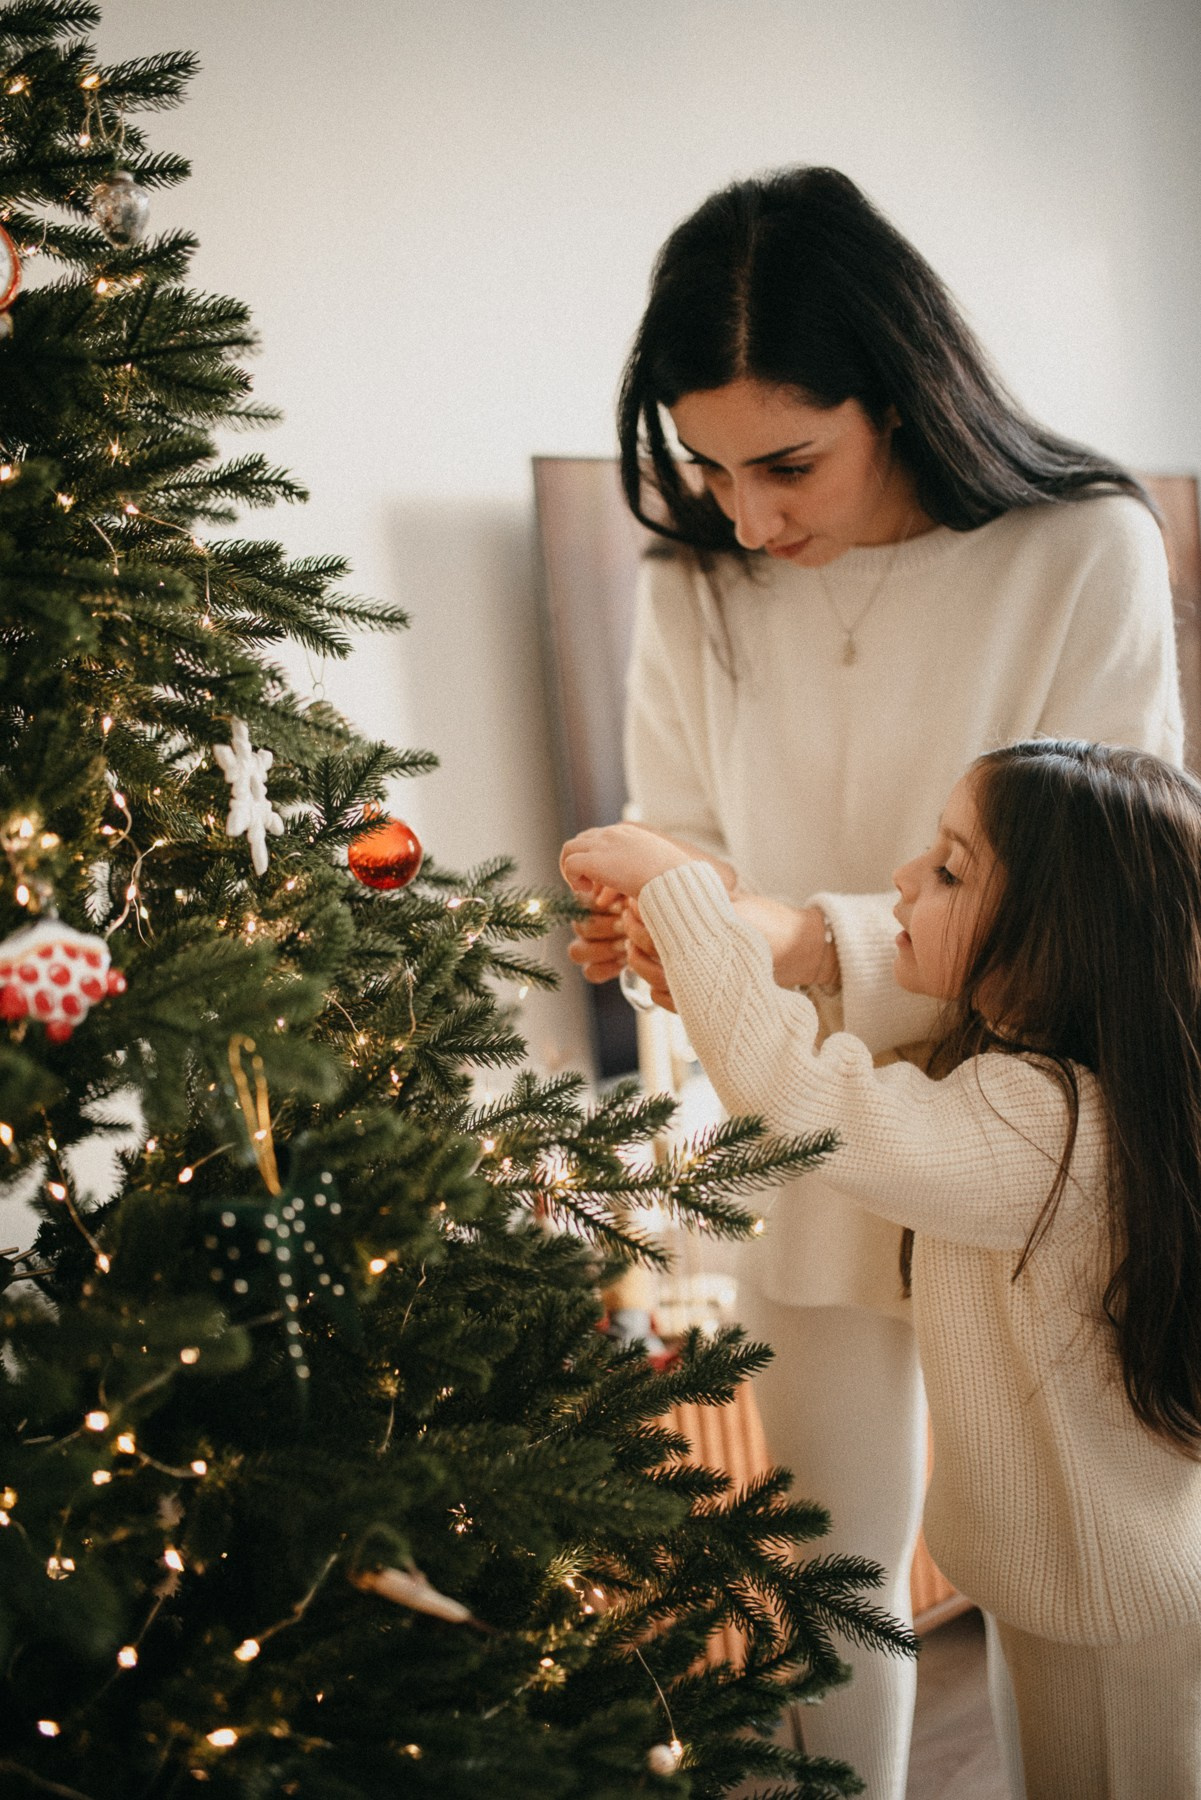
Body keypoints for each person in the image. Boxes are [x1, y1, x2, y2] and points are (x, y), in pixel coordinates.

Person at [567, 166, 1183, 1799]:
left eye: (788, 462)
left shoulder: (1081, 551)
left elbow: (1106, 900)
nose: (751, 517)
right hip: (791, 1132)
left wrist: (782, 938)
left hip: (1036, 1146)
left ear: (901, 398)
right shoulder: (694, 578)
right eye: (708, 466)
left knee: (1090, 1598)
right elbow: (679, 835)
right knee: (819, 1595)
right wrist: (665, 927)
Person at [561, 739, 1201, 1800]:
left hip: (1108, 1604)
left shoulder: (1042, 1124)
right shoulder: (1046, 1076)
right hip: (1072, 1588)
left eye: (949, 869)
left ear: (1056, 938)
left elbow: (806, 1101)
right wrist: (717, 953)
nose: (903, 878)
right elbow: (828, 1069)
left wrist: (681, 893)